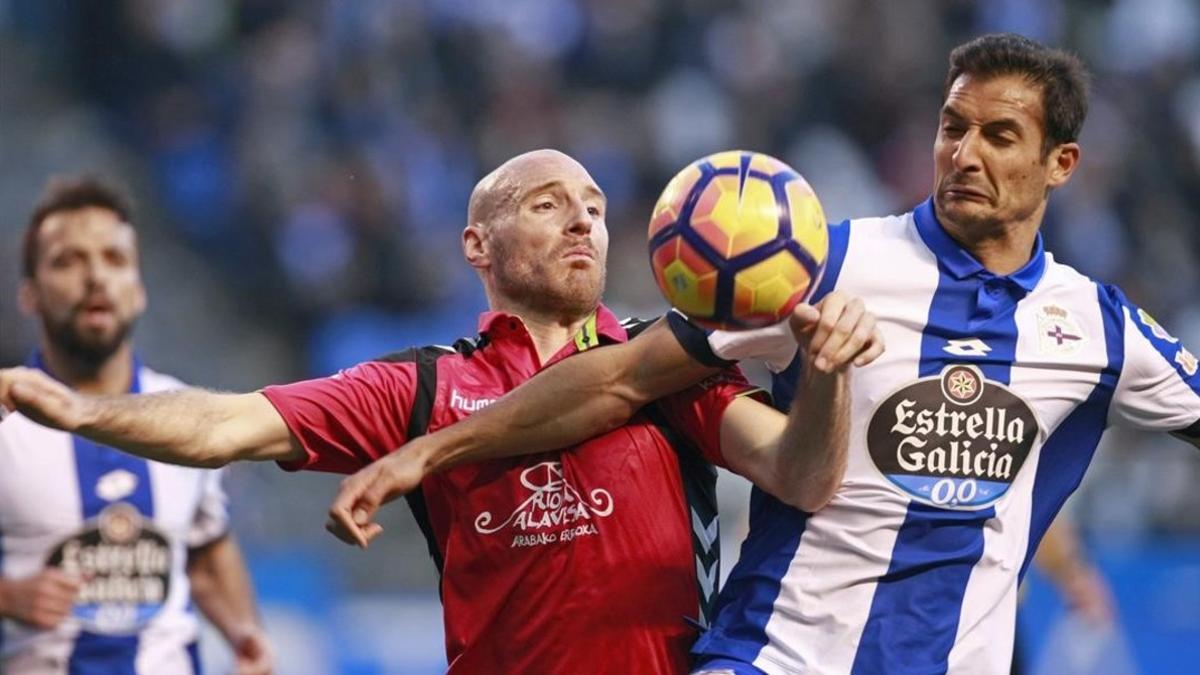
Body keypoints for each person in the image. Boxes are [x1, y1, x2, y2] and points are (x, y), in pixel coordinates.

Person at [323, 34, 1200, 675]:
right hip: (773, 658)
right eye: (950, 126)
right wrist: (429, 450)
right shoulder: (821, 262)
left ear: (1062, 163)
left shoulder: (1097, 327)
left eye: (999, 136)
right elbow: (623, 372)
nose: (963, 154)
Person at [0, 151, 883, 673]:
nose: (581, 223)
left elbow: (802, 474)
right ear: (478, 245)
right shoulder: (421, 388)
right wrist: (84, 412)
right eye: (548, 207)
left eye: (595, 209)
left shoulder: (668, 366)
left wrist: (831, 375)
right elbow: (228, 424)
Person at [0, 176, 272, 674]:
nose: (96, 277)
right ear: (30, 295)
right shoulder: (6, 418)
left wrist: (244, 632)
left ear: (140, 290)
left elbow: (205, 549)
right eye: (68, 260)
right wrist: (6, 595)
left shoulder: (187, 415)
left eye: (114, 259)